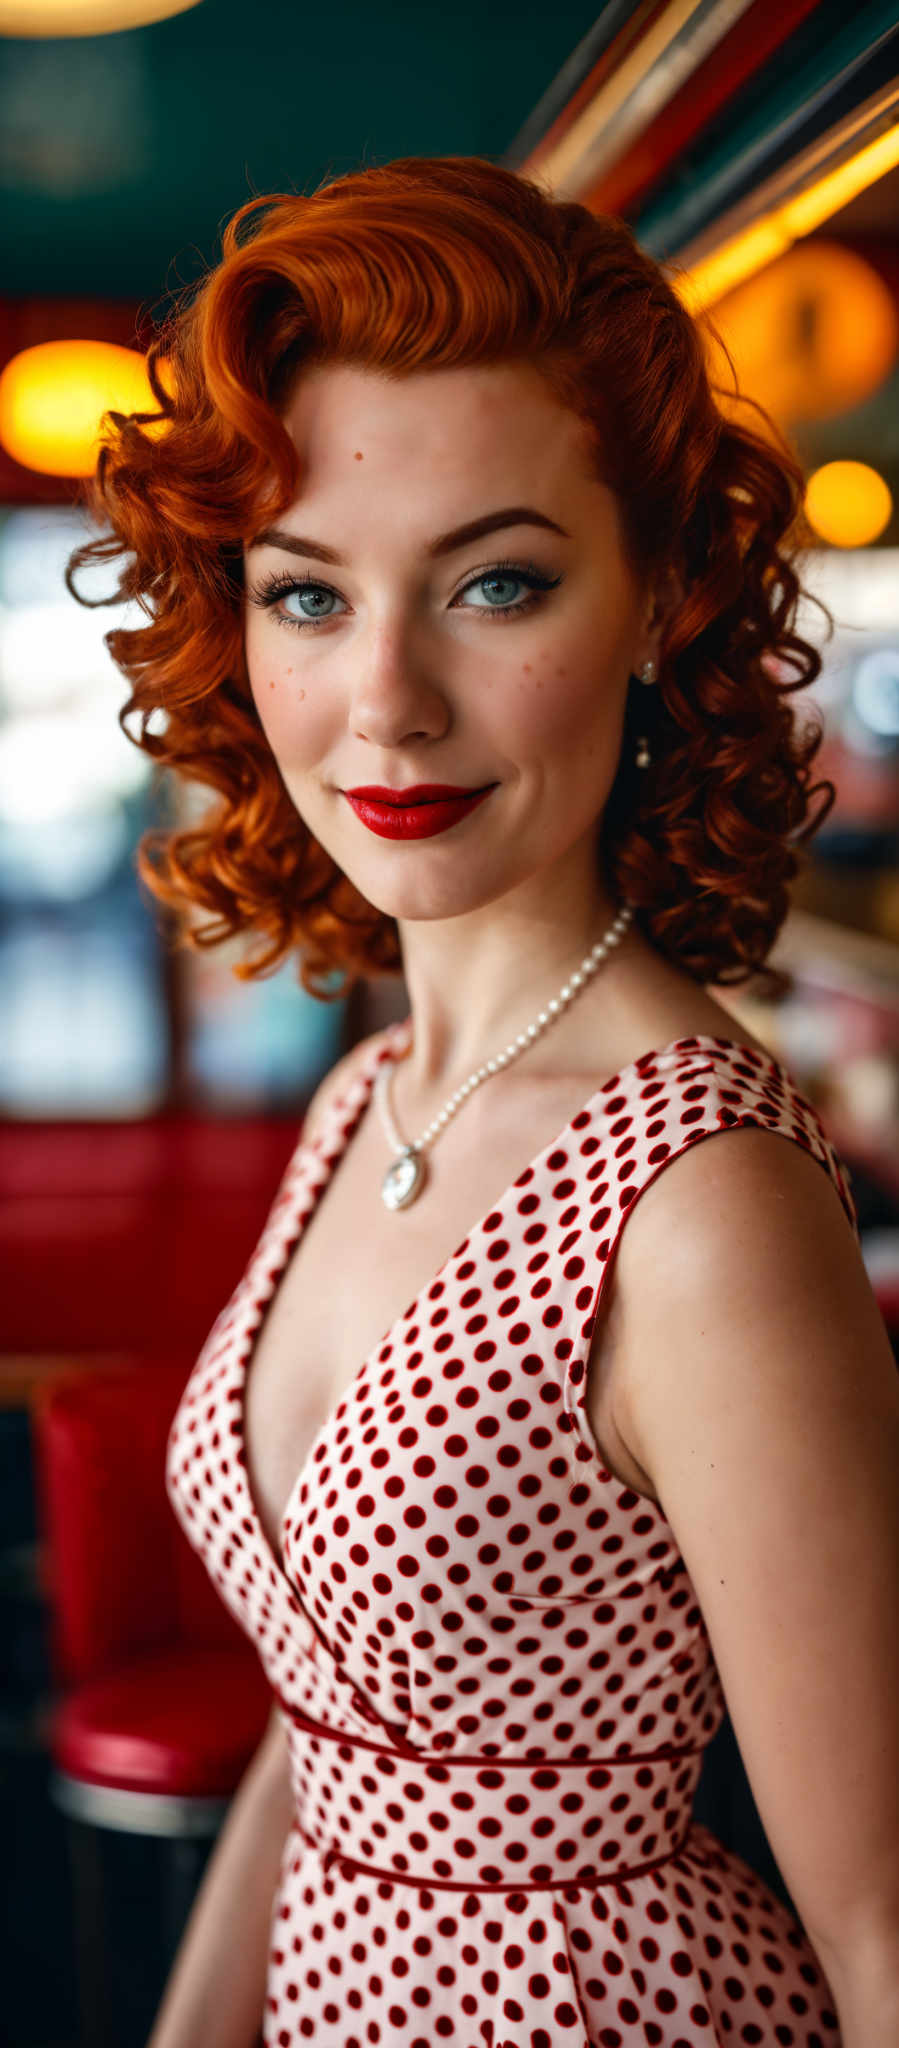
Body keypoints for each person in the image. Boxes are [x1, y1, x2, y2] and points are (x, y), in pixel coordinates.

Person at [67, 154, 898, 2048]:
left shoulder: (704, 1204)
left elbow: (883, 1916)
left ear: (665, 596)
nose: (387, 700)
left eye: (496, 582)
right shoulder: (368, 1096)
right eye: (307, 594)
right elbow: (327, 1716)